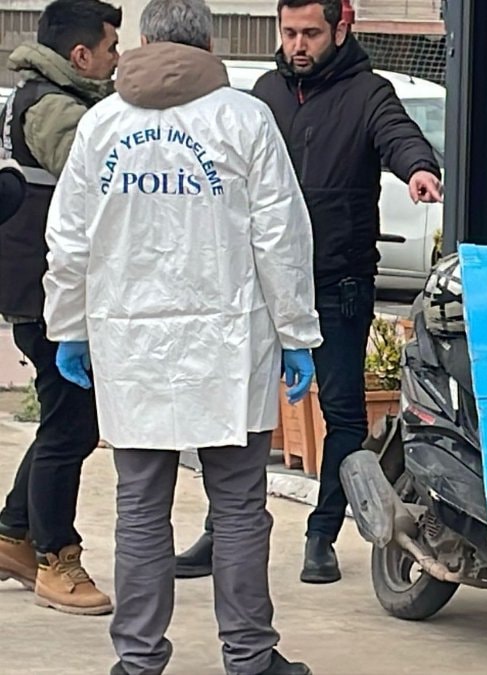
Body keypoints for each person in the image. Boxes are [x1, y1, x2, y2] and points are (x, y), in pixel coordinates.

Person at [42, 0, 321, 672]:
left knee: (140, 506)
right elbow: (280, 236)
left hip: (131, 343)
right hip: (229, 343)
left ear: (143, 41)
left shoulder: (102, 124)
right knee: (239, 507)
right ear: (208, 45)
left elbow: (70, 239)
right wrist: (296, 333)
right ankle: (250, 655)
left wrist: (69, 325)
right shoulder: (244, 119)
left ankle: (137, 659)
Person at [175, 0, 442, 584]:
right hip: (259, 284)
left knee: (342, 413)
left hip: (336, 280)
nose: (298, 44)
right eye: (290, 32)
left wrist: (418, 168)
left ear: (341, 29)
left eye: (311, 33)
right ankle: (222, 532)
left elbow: (399, 136)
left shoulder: (369, 93)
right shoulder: (264, 95)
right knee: (235, 409)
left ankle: (322, 536)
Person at [0, 0, 121, 615]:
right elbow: (106, 186)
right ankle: (56, 557)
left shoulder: (35, 97)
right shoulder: (54, 110)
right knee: (71, 425)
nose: (117, 61)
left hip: (39, 289)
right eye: (110, 49)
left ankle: (13, 534)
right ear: (80, 55)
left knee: (64, 419)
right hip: (49, 293)